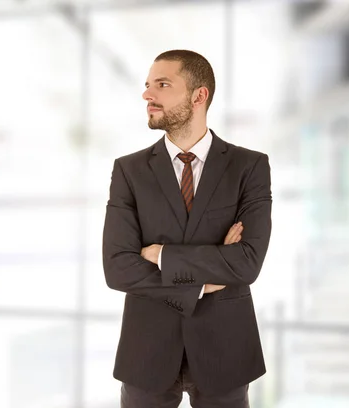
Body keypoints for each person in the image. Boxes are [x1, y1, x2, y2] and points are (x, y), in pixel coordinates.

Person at [102, 49, 272, 408]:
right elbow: (117, 268)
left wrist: (161, 254)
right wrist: (202, 282)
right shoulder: (129, 171)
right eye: (148, 85)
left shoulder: (249, 167)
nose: (148, 94)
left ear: (199, 95)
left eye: (162, 85)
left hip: (224, 350)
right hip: (146, 352)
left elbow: (246, 264)